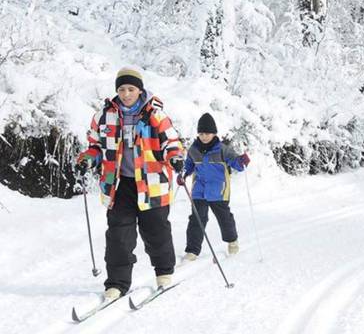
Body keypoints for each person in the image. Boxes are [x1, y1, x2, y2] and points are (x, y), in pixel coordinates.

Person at [76, 67, 184, 301]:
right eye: (122, 89)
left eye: (131, 89)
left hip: (152, 182)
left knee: (156, 230)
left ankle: (163, 272)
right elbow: (95, 145)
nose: (126, 94)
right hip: (119, 184)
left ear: (139, 90)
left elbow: (172, 142)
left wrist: (175, 156)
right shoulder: (104, 116)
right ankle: (116, 284)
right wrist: (88, 158)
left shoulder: (155, 115)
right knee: (118, 235)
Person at [177, 113, 251, 262]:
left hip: (219, 190)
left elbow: (236, 164)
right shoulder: (193, 150)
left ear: (214, 133)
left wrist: (242, 161)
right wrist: (183, 174)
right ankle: (192, 251)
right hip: (199, 191)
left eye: (207, 133)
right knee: (196, 219)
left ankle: (232, 241)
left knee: (224, 218)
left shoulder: (223, 149)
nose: (204, 136)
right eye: (201, 133)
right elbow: (188, 166)